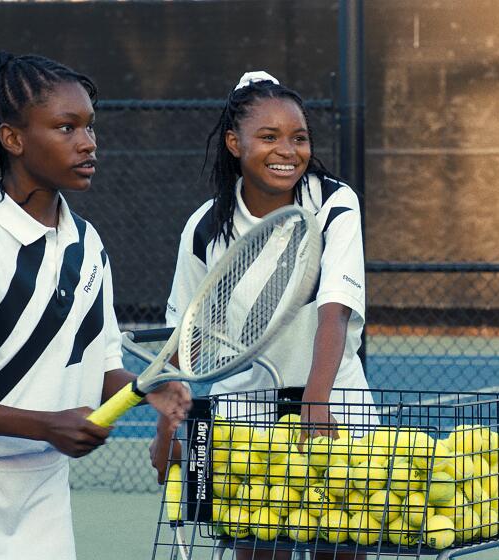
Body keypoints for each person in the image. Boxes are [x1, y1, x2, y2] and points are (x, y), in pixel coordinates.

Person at [0, 52, 191, 560]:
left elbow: (100, 365)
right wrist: (45, 425)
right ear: (14, 139)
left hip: (44, 492)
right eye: (66, 127)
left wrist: (154, 393)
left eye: (90, 127)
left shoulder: (88, 244)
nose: (88, 143)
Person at [151, 71, 375, 484]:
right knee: (255, 544)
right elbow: (186, 339)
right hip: (244, 413)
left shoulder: (334, 203)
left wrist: (316, 400)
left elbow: (336, 312)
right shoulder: (203, 227)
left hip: (334, 399)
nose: (287, 151)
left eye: (299, 138)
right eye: (269, 137)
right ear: (235, 144)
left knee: (342, 540)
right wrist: (165, 430)